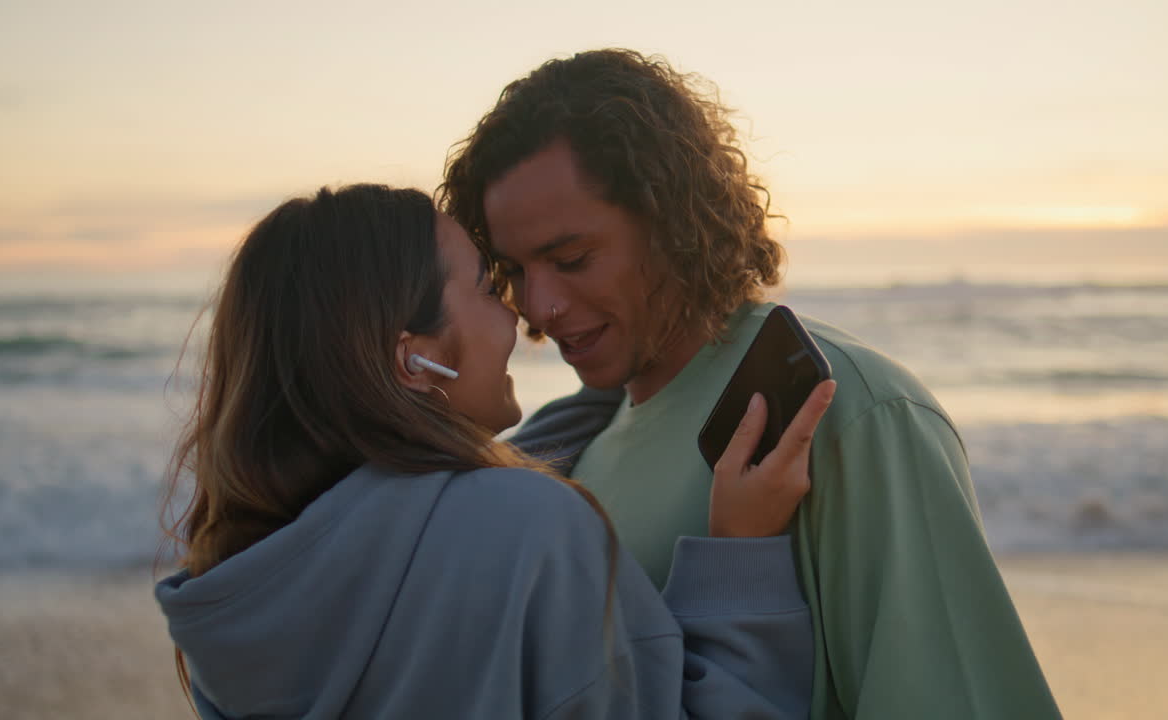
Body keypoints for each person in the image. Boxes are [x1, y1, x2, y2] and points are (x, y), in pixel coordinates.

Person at [439, 49, 1062, 719]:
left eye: (571, 259)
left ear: (673, 221)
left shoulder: (846, 412)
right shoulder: (570, 447)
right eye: (516, 271)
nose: (539, 306)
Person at [155, 184, 836, 719]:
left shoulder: (238, 589)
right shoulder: (530, 529)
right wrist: (741, 551)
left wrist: (623, 380)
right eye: (487, 284)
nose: (521, 311)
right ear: (413, 359)